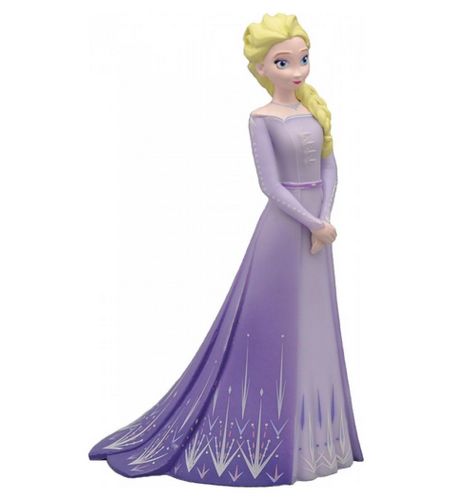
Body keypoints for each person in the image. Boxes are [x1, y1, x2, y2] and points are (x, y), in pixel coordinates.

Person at [89, 12, 364, 487]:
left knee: (317, 328)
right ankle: (268, 438)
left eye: (302, 59)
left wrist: (326, 218)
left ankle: (317, 440)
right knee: (274, 328)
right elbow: (270, 186)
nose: (296, 70)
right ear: (261, 69)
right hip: (285, 234)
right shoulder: (261, 119)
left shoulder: (314, 110)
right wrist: (315, 223)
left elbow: (331, 167)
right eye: (283, 62)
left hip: (319, 235)